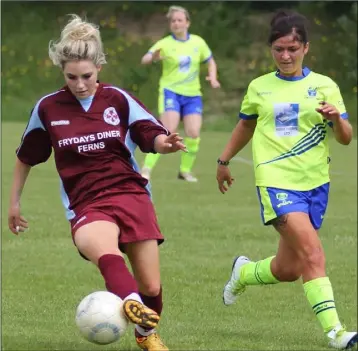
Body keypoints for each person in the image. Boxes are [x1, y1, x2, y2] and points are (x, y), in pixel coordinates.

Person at [8, 14, 187, 351]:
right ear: (62, 73)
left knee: (152, 285)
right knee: (106, 253)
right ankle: (131, 303)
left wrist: (166, 144)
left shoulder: (117, 100)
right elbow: (26, 156)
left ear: (99, 68)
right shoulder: (48, 108)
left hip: (131, 194)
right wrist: (14, 202)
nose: (79, 84)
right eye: (71, 77)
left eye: (86, 76)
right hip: (86, 202)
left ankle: (145, 333)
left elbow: (150, 133)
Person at [216, 10, 357, 350]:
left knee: (289, 268)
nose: (285, 56)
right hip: (276, 182)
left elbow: (345, 138)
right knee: (313, 255)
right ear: (271, 49)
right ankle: (336, 332)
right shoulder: (260, 87)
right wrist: (223, 160)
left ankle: (244, 272)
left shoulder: (325, 86)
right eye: (278, 49)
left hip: (315, 183)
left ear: (306, 48)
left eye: (292, 48)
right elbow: (246, 124)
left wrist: (337, 118)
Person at [140, 5, 220, 182]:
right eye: (173, 21)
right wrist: (153, 57)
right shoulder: (165, 43)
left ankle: (184, 171)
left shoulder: (198, 42)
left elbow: (211, 61)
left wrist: (212, 77)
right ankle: (146, 169)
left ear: (187, 23)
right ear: (170, 25)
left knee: (193, 133)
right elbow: (145, 58)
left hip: (192, 95)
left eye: (180, 20)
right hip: (171, 93)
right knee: (168, 131)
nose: (176, 23)